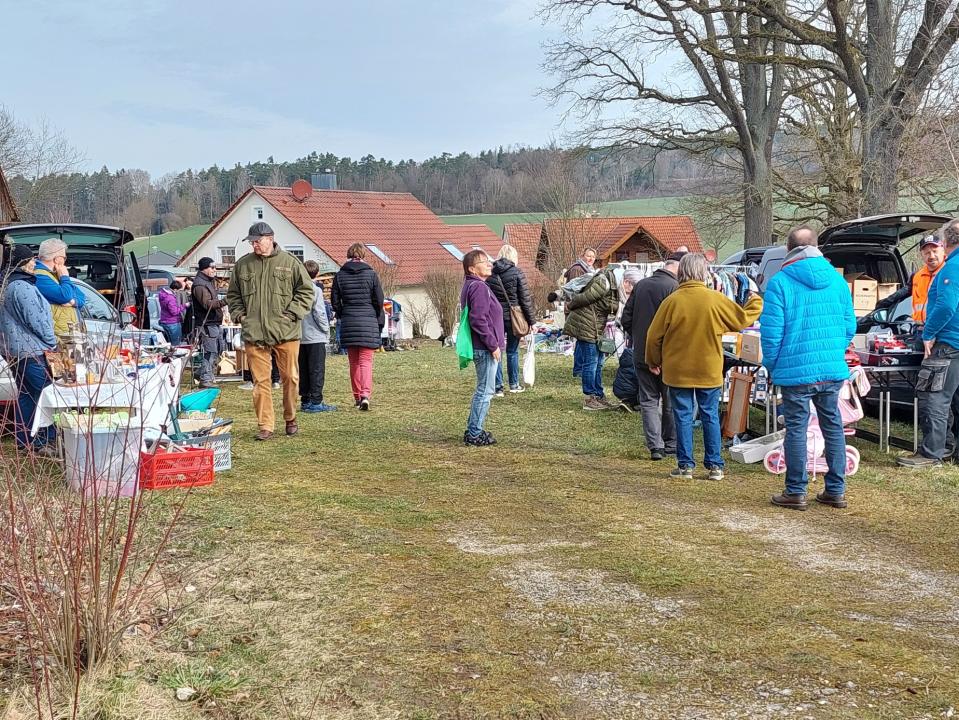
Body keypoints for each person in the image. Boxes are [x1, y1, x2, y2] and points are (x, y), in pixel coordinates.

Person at [761, 226, 857, 510]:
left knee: (797, 429)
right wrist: (834, 349)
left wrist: (773, 366)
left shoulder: (780, 282)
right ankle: (836, 489)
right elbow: (849, 325)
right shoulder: (837, 282)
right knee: (833, 426)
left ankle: (796, 490)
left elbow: (771, 334)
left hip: (795, 370)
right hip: (831, 368)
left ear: (788, 249)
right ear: (816, 246)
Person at [646, 253, 762, 481]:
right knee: (710, 415)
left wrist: (653, 361)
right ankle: (715, 466)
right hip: (708, 369)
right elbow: (742, 320)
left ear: (681, 272)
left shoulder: (672, 301)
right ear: (704, 272)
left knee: (683, 416)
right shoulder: (715, 299)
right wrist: (755, 299)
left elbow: (653, 337)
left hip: (678, 370)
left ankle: (685, 466)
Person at [227, 222, 314, 441]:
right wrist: (241, 316)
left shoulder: (291, 263)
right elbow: (233, 295)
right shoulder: (242, 266)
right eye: (252, 242)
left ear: (270, 238)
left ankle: (290, 417)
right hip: (254, 333)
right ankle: (265, 425)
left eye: (257, 241)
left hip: (286, 332)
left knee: (290, 378)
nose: (254, 245)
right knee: (260, 382)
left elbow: (306, 292)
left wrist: (291, 314)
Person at [898, 220, 959, 468]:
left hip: (947, 342)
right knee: (953, 399)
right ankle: (949, 451)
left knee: (934, 396)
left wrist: (928, 333)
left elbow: (946, 306)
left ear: (945, 244)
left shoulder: (952, 268)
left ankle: (932, 454)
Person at [621, 252, 684, 460]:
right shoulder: (676, 289)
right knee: (669, 399)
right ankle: (670, 443)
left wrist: (638, 337)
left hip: (641, 352)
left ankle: (655, 446)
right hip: (669, 354)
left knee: (648, 399)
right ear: (678, 268)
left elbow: (626, 319)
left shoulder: (641, 285)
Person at [0, 245, 58, 456]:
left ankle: (24, 442)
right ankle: (45, 441)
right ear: (21, 264)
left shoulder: (5, 284)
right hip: (31, 350)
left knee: (27, 394)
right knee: (47, 393)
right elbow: (38, 321)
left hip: (13, 351)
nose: (34, 263)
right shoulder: (21, 288)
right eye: (30, 260)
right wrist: (52, 342)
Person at [331, 243, 385, 411]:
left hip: (348, 320)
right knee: (366, 361)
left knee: (353, 362)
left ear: (349, 255)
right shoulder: (371, 275)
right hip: (368, 320)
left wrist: (342, 312)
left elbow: (334, 301)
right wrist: (374, 314)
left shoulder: (339, 276)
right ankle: (365, 395)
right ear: (363, 255)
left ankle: (356, 396)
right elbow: (379, 300)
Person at [461, 250, 505, 446]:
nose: (489, 264)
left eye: (488, 261)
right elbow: (478, 319)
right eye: (483, 262)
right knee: (485, 391)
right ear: (472, 268)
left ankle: (473, 428)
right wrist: (492, 344)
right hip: (485, 347)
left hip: (483, 346)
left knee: (483, 390)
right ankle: (474, 433)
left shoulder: (476, 285)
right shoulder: (478, 287)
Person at [564, 264, 620, 410]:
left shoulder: (610, 283)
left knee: (599, 361)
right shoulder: (604, 282)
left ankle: (598, 395)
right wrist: (570, 306)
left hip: (594, 325)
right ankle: (590, 398)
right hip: (586, 324)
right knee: (592, 362)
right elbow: (582, 298)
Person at [488, 244, 535, 395]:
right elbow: (525, 299)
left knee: (497, 351)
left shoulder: (490, 274)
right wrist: (531, 321)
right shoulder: (517, 272)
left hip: (495, 317)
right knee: (512, 351)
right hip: (514, 317)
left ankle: (498, 387)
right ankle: (514, 384)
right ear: (513, 256)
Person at [875, 234, 946, 322]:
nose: (931, 256)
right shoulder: (917, 276)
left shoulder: (951, 272)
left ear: (943, 250)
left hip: (943, 329)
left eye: (935, 251)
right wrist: (883, 303)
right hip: (920, 328)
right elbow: (902, 293)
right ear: (921, 255)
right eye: (927, 253)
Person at [299, 260, 336, 413]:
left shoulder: (296, 289)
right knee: (317, 369)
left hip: (300, 336)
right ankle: (316, 401)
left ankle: (305, 400)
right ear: (317, 274)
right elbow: (319, 313)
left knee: (303, 370)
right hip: (315, 335)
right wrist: (326, 329)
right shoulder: (316, 290)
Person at [33, 238, 85, 338]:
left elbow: (81, 296)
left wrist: (73, 302)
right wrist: (65, 277)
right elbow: (65, 296)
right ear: (57, 259)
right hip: (57, 336)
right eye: (64, 258)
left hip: (67, 333)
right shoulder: (39, 276)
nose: (65, 261)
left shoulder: (55, 274)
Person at [191, 257, 226, 389]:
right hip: (206, 323)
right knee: (210, 351)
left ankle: (200, 372)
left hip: (214, 322)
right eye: (212, 267)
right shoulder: (200, 284)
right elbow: (207, 304)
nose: (214, 270)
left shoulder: (209, 282)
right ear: (204, 268)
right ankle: (205, 379)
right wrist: (225, 301)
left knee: (219, 349)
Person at [565, 247, 597, 378]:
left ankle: (580, 367)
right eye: (588, 256)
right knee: (581, 339)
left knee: (581, 339)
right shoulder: (577, 269)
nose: (590, 259)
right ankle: (578, 369)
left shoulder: (589, 269)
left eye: (593, 257)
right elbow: (574, 290)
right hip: (576, 308)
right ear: (582, 256)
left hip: (582, 308)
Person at [158, 279, 187, 345]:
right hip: (172, 323)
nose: (179, 292)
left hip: (164, 321)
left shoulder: (163, 295)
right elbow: (174, 312)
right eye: (179, 290)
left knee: (168, 344)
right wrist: (184, 306)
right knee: (176, 344)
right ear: (175, 289)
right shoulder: (170, 298)